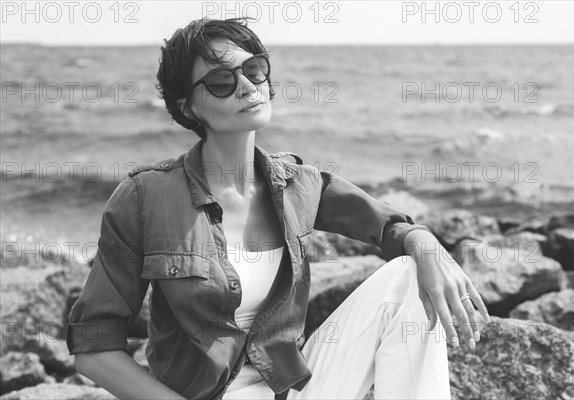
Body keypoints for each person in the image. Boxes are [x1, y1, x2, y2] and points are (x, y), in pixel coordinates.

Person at [66, 17, 491, 400]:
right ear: (187, 106)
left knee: (407, 275)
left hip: (295, 390)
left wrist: (425, 244)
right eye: (221, 81)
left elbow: (386, 226)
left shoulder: (296, 184)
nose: (248, 86)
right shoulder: (145, 198)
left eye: (254, 70)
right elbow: (95, 347)